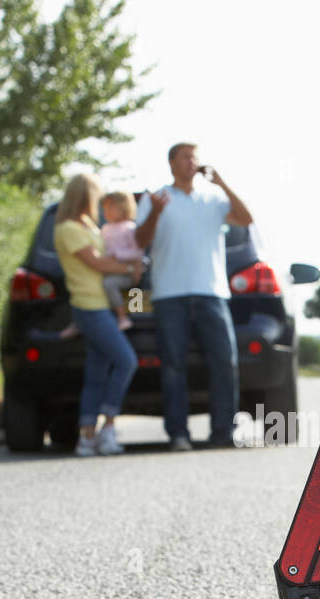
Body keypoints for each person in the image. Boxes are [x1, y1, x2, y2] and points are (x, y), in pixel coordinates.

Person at [135, 142, 253, 451]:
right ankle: (178, 434)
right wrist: (156, 214)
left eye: (195, 157)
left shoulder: (213, 198)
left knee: (224, 362)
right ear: (172, 163)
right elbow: (140, 240)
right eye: (186, 156)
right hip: (169, 294)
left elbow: (246, 218)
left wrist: (222, 182)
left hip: (211, 292)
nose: (192, 162)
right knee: (173, 364)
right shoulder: (157, 198)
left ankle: (222, 432)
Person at [53, 172, 143, 456]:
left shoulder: (91, 226)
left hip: (101, 304)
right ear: (84, 196)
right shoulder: (67, 229)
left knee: (96, 373)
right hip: (88, 305)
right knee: (126, 360)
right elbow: (97, 264)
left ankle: (87, 436)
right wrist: (131, 270)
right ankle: (108, 426)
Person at [99, 191, 145, 332]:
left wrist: (117, 255)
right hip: (110, 270)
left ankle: (124, 317)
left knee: (110, 284)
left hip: (128, 274)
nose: (105, 211)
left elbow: (138, 252)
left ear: (122, 207)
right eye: (104, 208)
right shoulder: (105, 228)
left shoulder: (130, 228)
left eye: (109, 207)